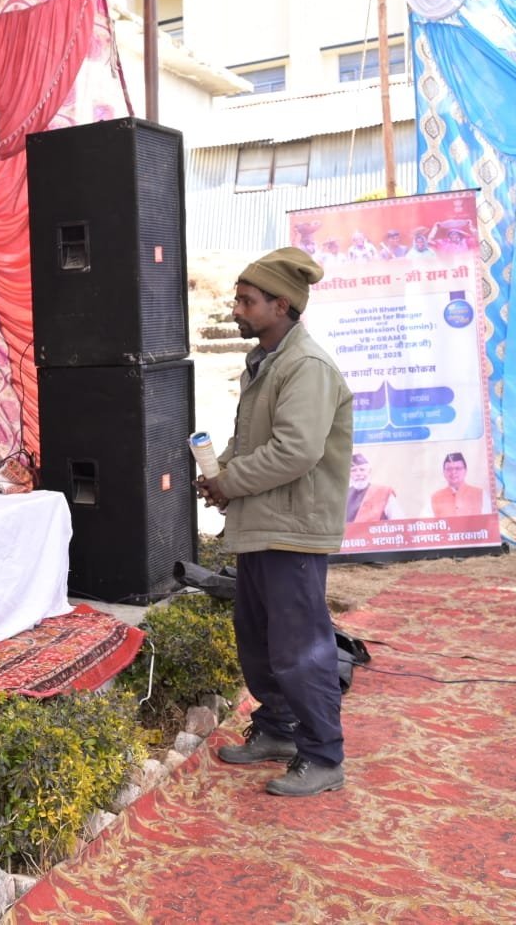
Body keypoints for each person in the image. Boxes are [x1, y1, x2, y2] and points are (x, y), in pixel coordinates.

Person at [196, 247, 353, 798]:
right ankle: (279, 731)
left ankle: (324, 756)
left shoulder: (306, 366)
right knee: (260, 641)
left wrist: (231, 481)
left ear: (281, 305)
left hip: (293, 530)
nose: (236, 309)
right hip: (264, 524)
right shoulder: (265, 361)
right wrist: (220, 475)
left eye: (247, 301)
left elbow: (295, 451)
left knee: (300, 649)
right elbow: (250, 441)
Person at [429, 451, 489, 518]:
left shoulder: (480, 494)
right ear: (444, 472)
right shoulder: (435, 498)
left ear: (465, 470)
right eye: (449, 469)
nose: (453, 472)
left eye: (458, 468)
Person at [346, 452, 398, 523]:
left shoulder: (383, 492)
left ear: (369, 471)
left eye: (362, 469)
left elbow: (398, 521)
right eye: (353, 470)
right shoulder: (343, 496)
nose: (358, 474)